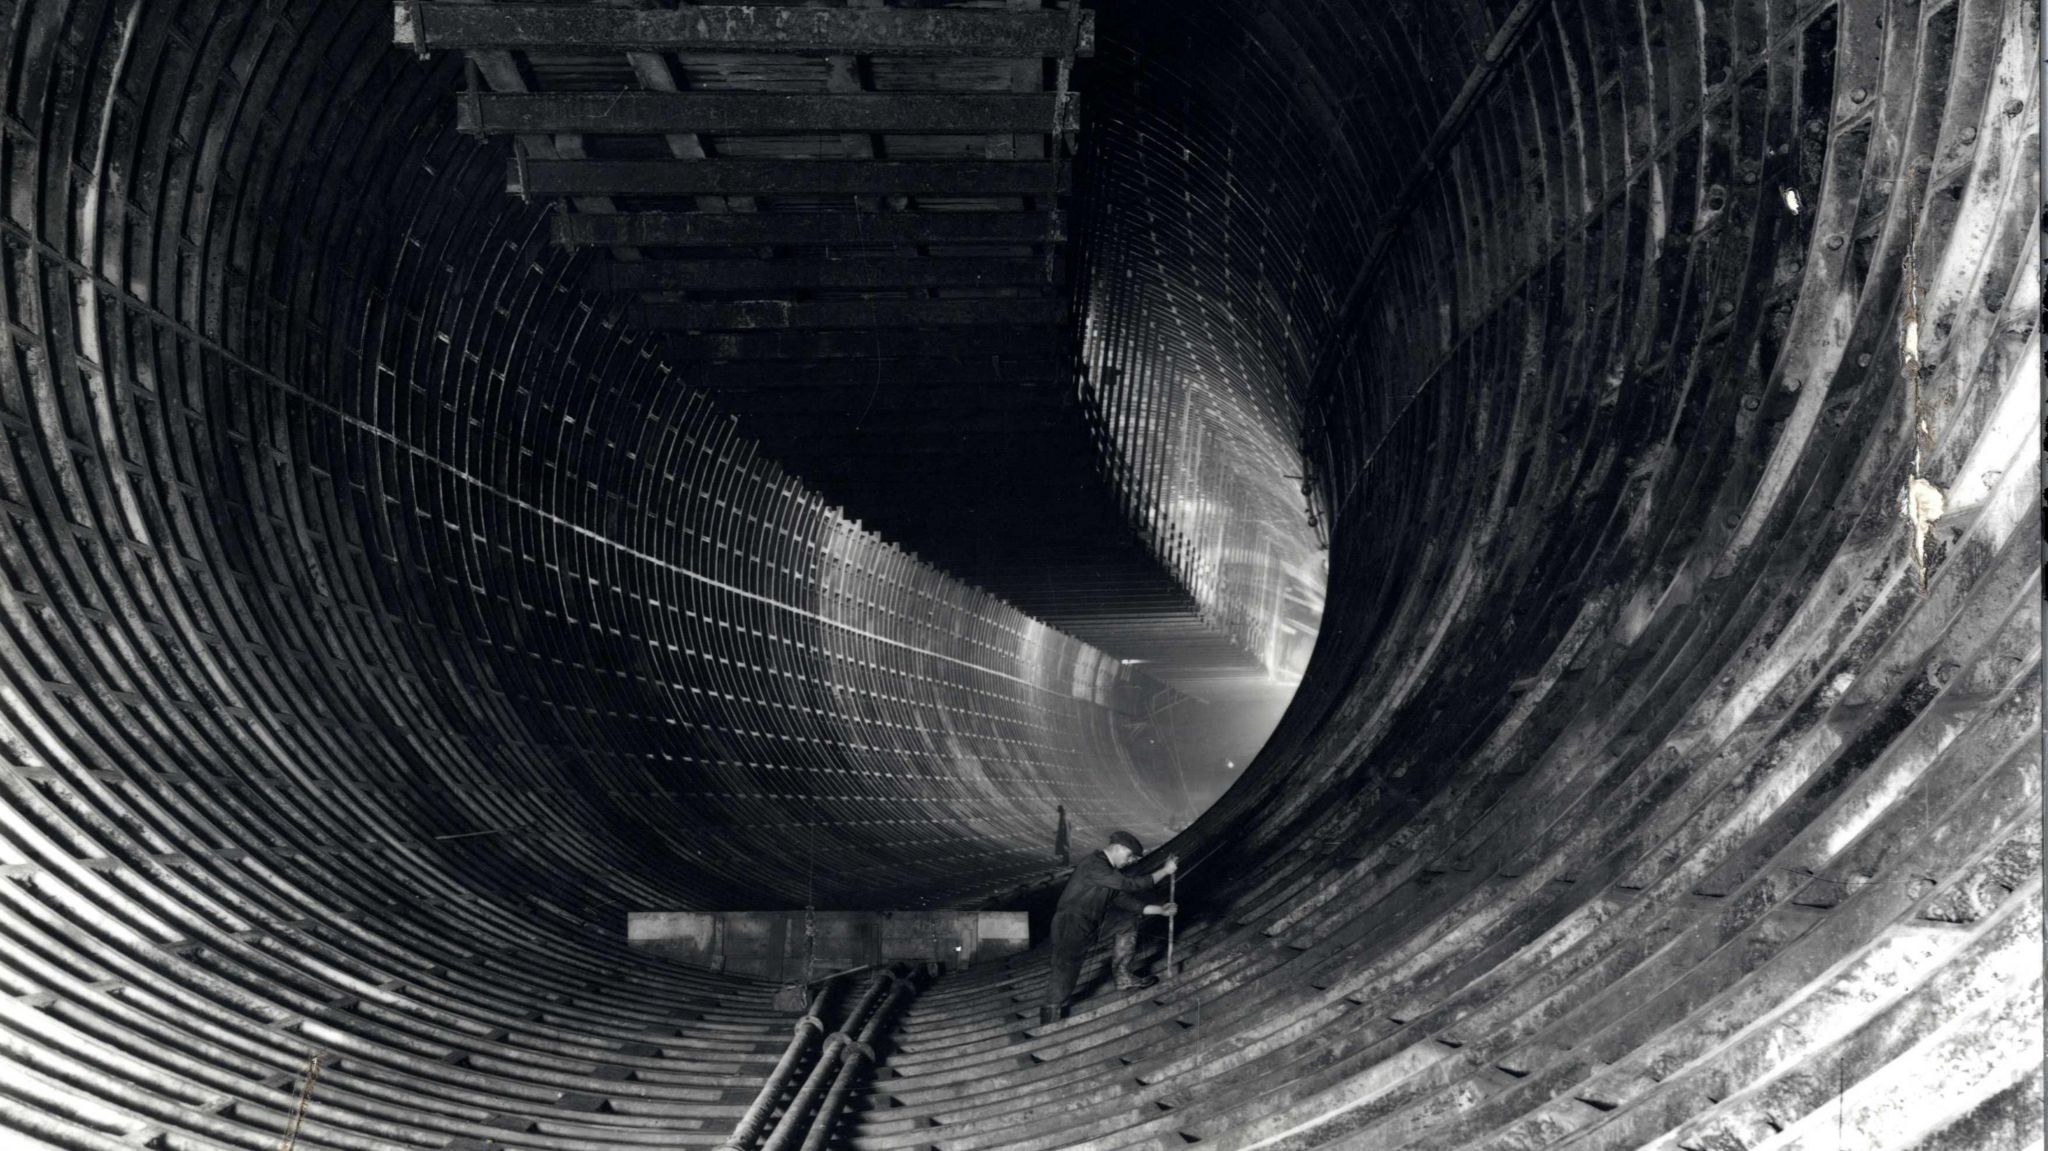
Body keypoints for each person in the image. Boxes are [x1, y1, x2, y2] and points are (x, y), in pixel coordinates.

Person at [1040, 830, 1177, 1024]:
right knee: (1066, 969)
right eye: (1130, 856)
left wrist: (1160, 910)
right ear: (1119, 848)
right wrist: (1165, 871)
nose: (1130, 861)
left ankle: (1122, 976)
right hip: (1071, 923)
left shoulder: (1107, 873)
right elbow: (1130, 885)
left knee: (1126, 923)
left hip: (1091, 923)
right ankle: (1050, 1017)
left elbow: (1124, 900)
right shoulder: (1095, 865)